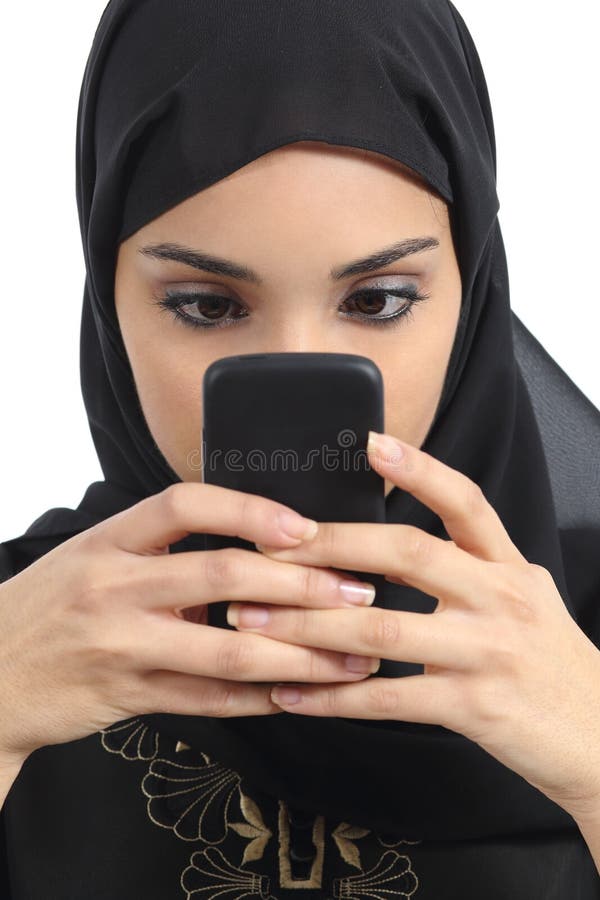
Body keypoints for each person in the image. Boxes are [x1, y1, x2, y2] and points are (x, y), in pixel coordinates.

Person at [1, 0, 600, 896]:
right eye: (205, 305)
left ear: (472, 294)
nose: (297, 372)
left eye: (378, 301)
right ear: (107, 304)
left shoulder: (582, 642)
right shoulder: (18, 630)